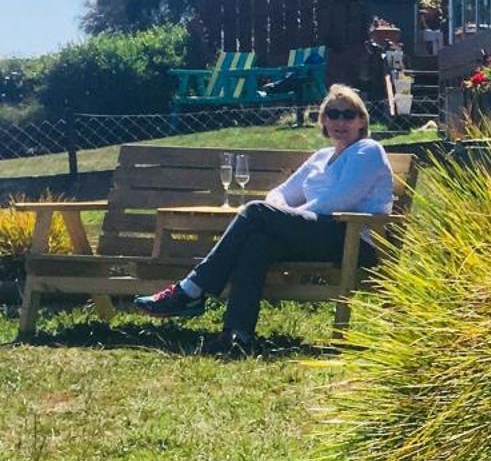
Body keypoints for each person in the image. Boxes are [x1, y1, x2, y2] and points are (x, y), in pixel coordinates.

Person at [134, 84, 395, 346]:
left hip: (354, 238)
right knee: (258, 241)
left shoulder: (368, 150)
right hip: (317, 234)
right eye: (333, 114)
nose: (340, 121)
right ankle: (237, 334)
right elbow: (279, 194)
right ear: (324, 120)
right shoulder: (321, 156)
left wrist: (285, 218)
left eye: (348, 115)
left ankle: (190, 290)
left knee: (256, 212)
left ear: (362, 120)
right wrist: (284, 216)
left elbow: (340, 200)